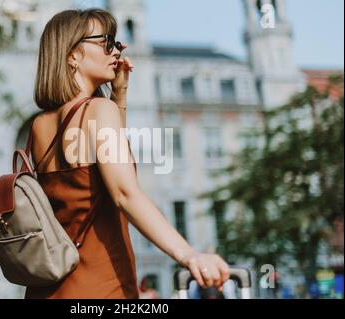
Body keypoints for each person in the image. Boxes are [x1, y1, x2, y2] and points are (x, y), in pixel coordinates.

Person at [24, 8, 230, 299]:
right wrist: (189, 255)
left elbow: (93, 174)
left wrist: (118, 96)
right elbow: (124, 192)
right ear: (73, 55)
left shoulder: (40, 125)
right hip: (101, 285)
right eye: (106, 42)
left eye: (116, 43)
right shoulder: (98, 111)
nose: (117, 50)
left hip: (49, 287)